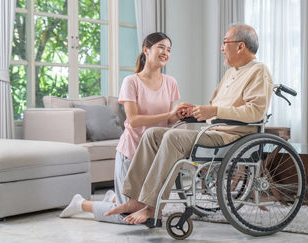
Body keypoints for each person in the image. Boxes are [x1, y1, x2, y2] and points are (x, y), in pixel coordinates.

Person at [104, 24, 274, 225]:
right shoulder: (231, 73)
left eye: (225, 42)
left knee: (172, 136)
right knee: (153, 134)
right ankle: (135, 200)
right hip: (214, 130)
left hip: (232, 136)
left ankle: (151, 207)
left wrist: (214, 111)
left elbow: (255, 112)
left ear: (240, 46)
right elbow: (215, 108)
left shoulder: (259, 71)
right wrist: (196, 111)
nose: (221, 48)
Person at [59, 32, 191, 224]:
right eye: (161, 47)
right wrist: (168, 115)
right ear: (146, 50)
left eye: (169, 49)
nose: (165, 52)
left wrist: (179, 115)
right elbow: (134, 120)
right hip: (131, 152)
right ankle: (81, 204)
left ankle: (114, 198)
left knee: (149, 214)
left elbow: (167, 121)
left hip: (155, 154)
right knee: (126, 216)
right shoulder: (131, 82)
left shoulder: (170, 82)